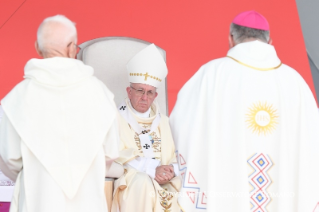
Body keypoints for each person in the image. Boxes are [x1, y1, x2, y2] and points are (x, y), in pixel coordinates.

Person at [170, 11, 319, 212]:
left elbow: (181, 126)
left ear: (230, 39)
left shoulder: (211, 75)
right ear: (270, 41)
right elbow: (312, 142)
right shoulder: (295, 82)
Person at [0, 15, 119, 212]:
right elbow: (111, 152)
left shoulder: (18, 97)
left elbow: (9, 158)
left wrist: (36, 174)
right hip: (87, 201)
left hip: (38, 201)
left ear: (37, 47)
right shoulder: (100, 94)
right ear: (72, 47)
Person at [112, 44, 181, 212]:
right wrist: (151, 169)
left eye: (150, 92)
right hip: (133, 180)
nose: (144, 97)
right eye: (140, 91)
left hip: (165, 179)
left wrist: (171, 170)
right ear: (129, 91)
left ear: (155, 95)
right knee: (143, 182)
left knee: (191, 181)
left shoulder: (164, 122)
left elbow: (176, 154)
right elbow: (114, 155)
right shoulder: (114, 118)